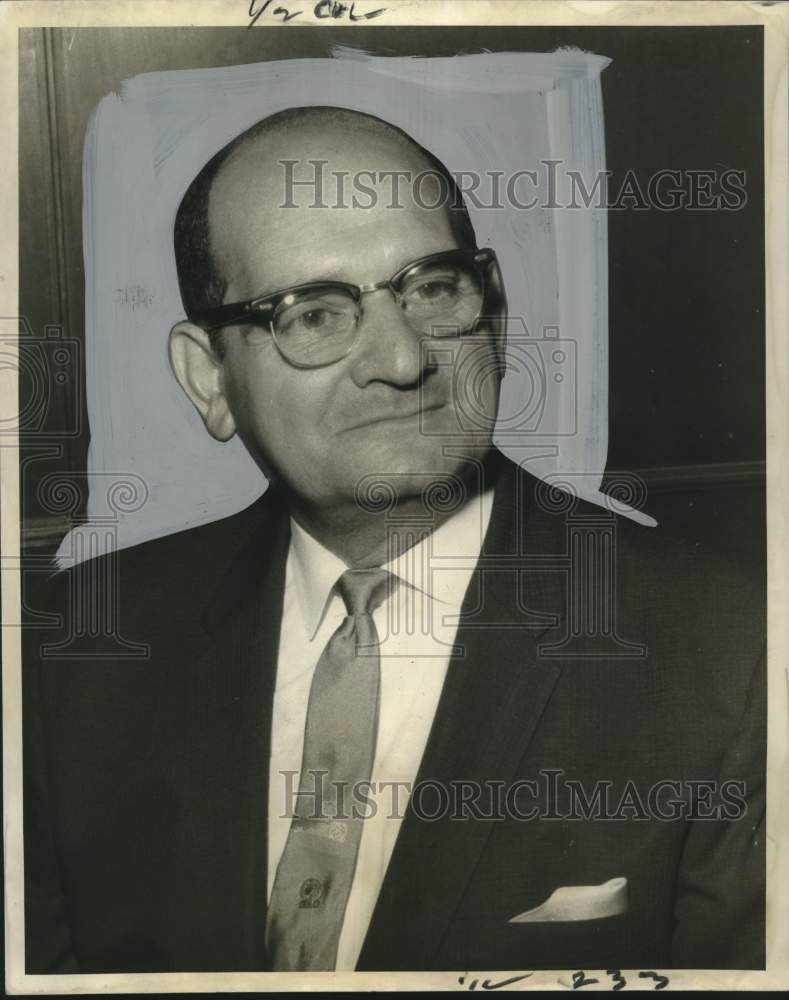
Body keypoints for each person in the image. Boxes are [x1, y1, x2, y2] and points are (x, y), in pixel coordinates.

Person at [23, 107, 765, 974]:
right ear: (209, 378)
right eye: (312, 314)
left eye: (432, 287)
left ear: (491, 303)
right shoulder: (68, 653)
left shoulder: (727, 648)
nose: (402, 358)